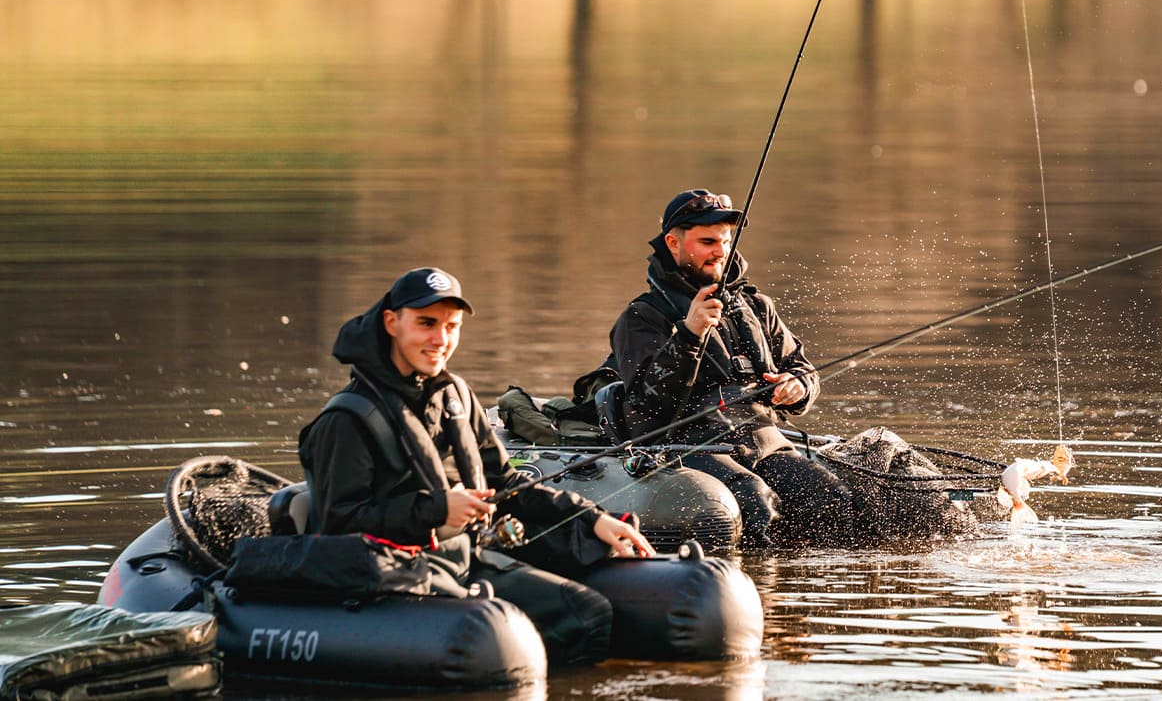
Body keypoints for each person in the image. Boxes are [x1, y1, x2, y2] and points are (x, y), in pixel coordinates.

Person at [298, 266, 654, 666]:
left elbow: (507, 483)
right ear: (391, 323)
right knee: (584, 617)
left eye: (451, 326)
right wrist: (436, 510)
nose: (441, 339)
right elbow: (338, 524)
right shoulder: (346, 420)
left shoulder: (455, 396)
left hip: (466, 555)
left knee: (590, 606)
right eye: (426, 324)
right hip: (393, 574)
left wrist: (590, 517)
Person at [609, 190, 854, 548]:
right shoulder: (641, 317)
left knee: (831, 497)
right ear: (673, 243)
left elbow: (803, 369)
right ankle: (756, 581)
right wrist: (689, 334)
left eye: (725, 241)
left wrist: (797, 386)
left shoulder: (757, 306)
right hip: (690, 447)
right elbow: (648, 404)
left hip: (764, 441)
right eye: (707, 242)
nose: (721, 251)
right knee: (754, 502)